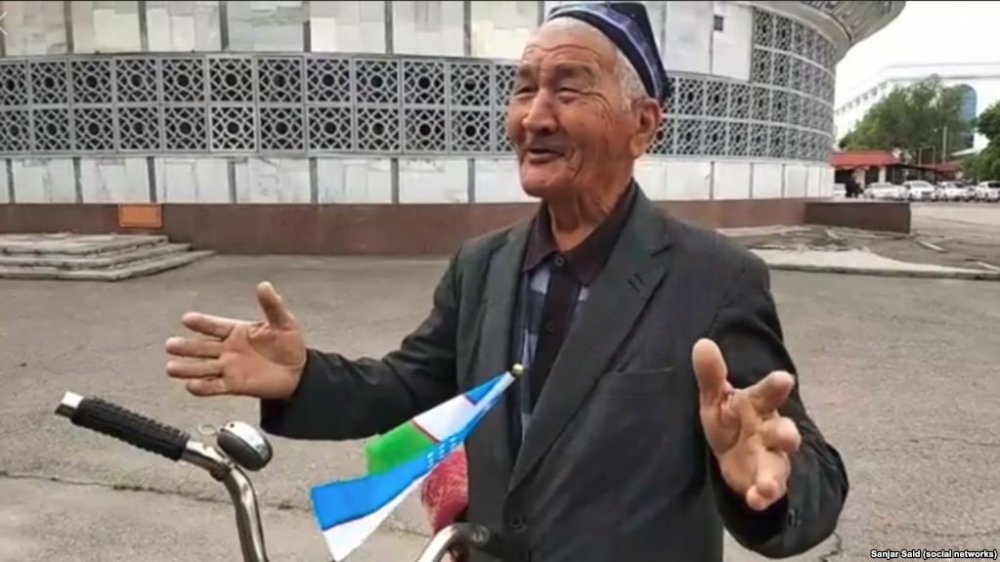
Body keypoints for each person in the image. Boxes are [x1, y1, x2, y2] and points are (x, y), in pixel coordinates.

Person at [165, 3, 849, 561]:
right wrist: (302, 378)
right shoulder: (482, 266)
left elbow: (808, 470)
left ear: (643, 125)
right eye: (524, 88)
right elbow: (408, 387)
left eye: (569, 88)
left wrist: (765, 481)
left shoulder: (715, 278)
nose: (535, 116)